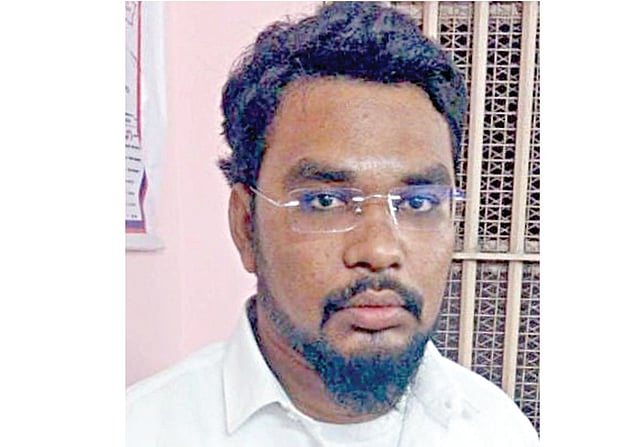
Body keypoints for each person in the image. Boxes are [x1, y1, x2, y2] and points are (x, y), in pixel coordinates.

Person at [127, 2, 539, 446]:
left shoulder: (496, 429)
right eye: (325, 201)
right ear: (246, 226)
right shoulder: (139, 430)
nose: (379, 250)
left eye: (418, 202)